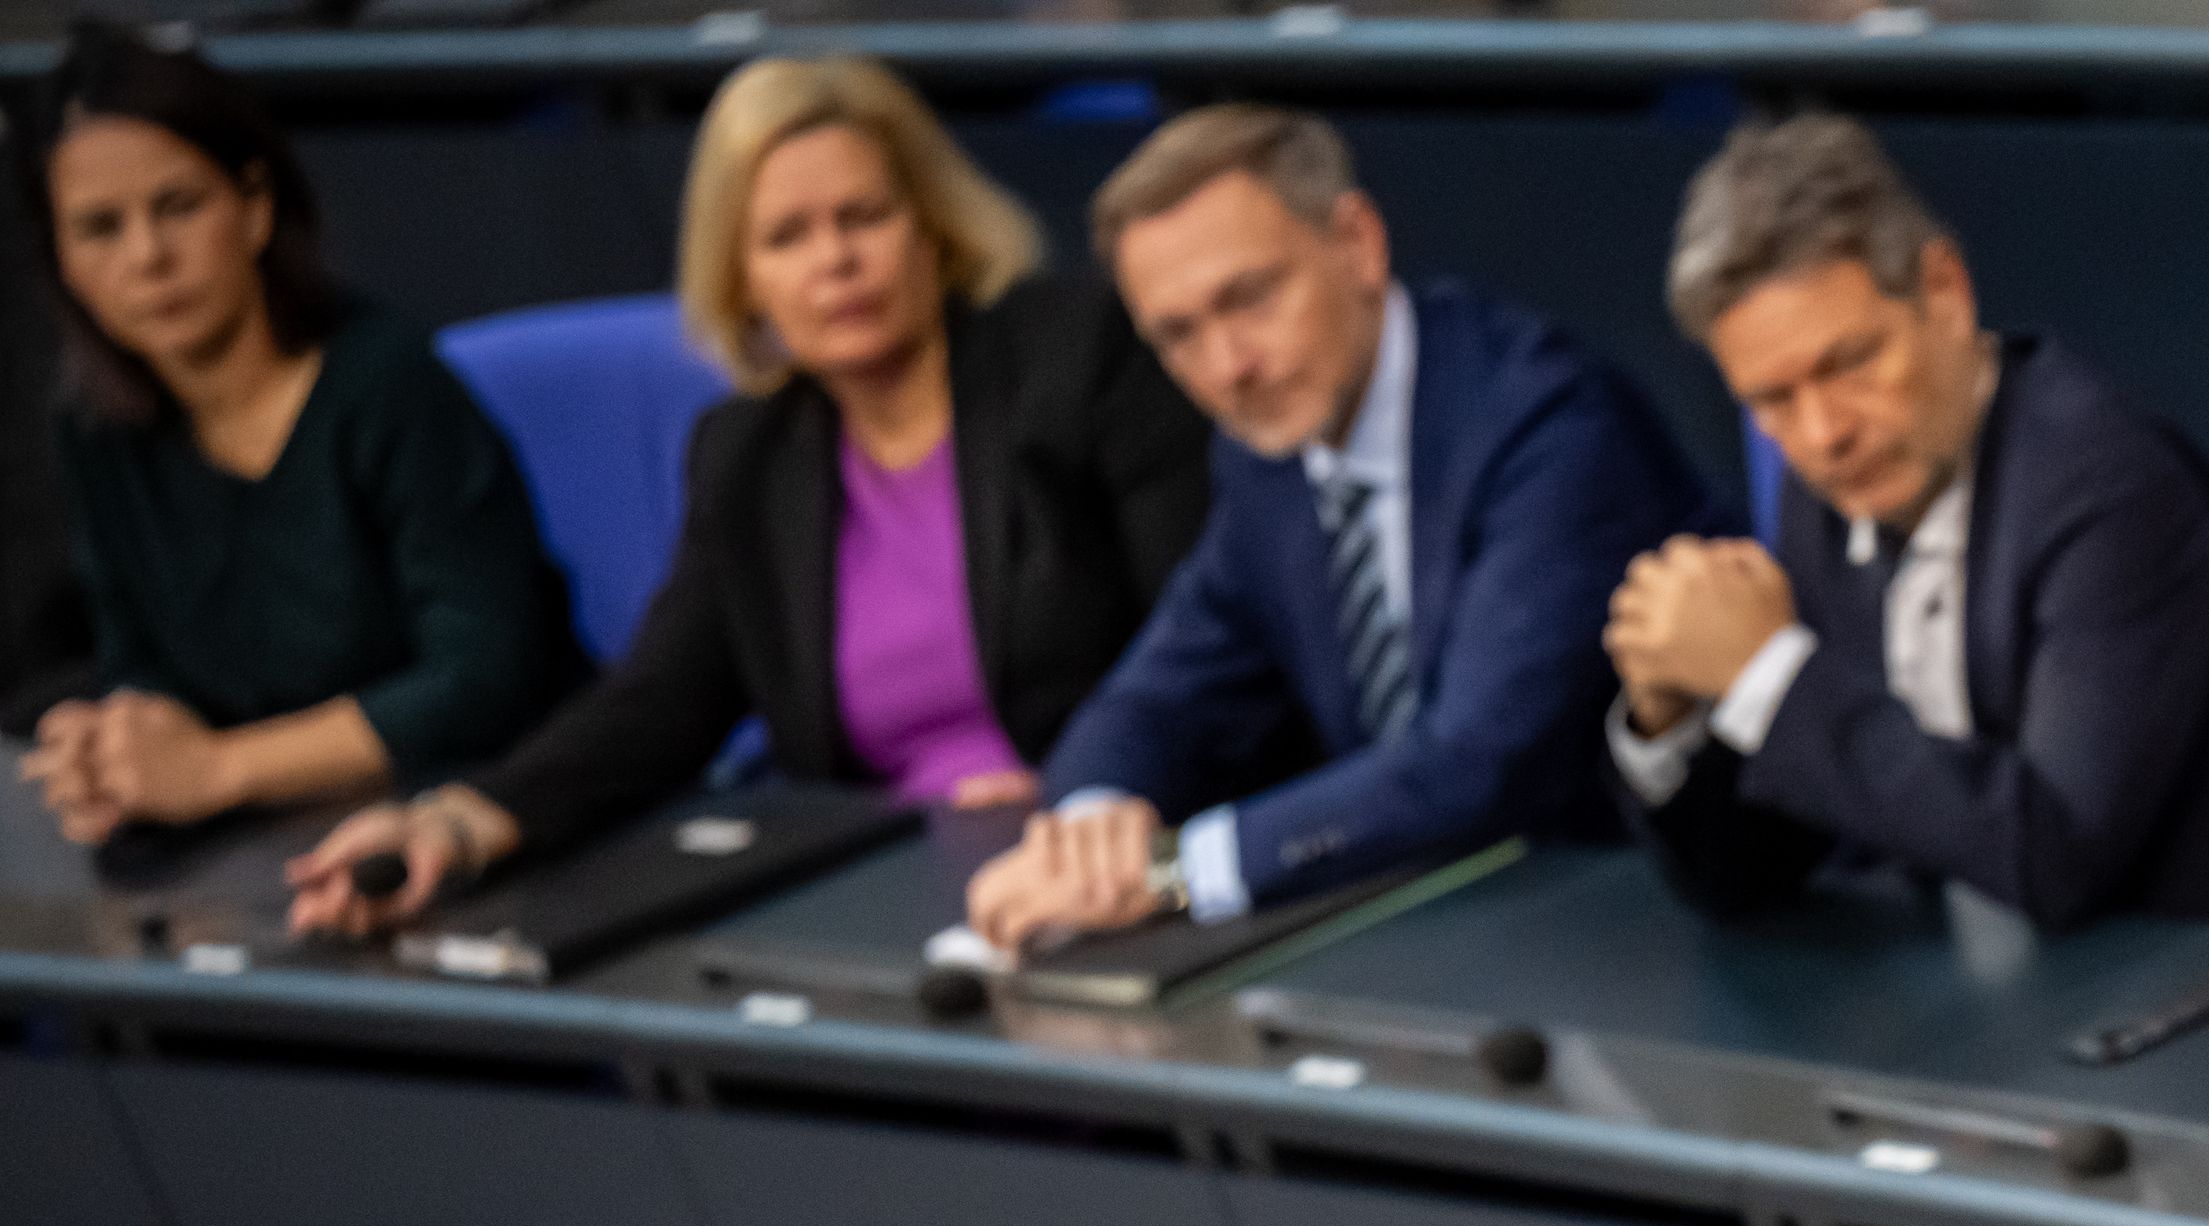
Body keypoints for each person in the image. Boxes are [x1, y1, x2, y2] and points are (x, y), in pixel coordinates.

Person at [287, 54, 1209, 937]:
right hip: (889, 884)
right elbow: (658, 703)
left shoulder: (1078, 364)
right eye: (786, 236)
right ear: (743, 277)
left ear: (933, 224)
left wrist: (1084, 785)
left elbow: (1201, 639)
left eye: (865, 216)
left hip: (1101, 853)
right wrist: (457, 820)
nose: (835, 260)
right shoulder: (750, 455)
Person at [1604, 115, 2209, 946]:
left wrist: (1765, 674)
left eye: (1850, 362)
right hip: (2095, 986)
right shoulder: (1836, 487)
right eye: (1771, 398)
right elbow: (1766, 870)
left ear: (1945, 289)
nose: (1820, 432)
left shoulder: (2108, 484)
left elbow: (2053, 848)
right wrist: (1678, 715)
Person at [962, 107, 1710, 954]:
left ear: (1356, 242)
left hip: (1621, 921)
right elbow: (1166, 688)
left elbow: (1474, 762)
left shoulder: (1544, 424)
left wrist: (1171, 875)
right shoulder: (1270, 454)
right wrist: (1090, 825)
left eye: (1248, 298)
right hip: (1419, 921)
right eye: (1177, 335)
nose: (1226, 367)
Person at [13, 26, 581, 846]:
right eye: (100, 227)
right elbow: (138, 655)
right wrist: (124, 745)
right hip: (268, 833)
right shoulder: (94, 425)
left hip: (485, 810)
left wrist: (217, 769)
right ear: (59, 257)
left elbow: (484, 679)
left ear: (254, 205)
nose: (148, 257)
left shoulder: (386, 381)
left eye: (179, 206)